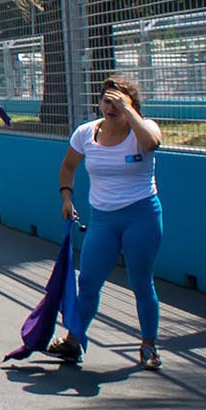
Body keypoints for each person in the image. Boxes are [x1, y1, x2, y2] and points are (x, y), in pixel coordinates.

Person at [50, 76, 165, 368]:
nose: (110, 106)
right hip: (102, 219)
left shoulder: (144, 129)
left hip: (141, 215)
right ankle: (73, 341)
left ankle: (149, 345)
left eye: (118, 102)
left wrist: (129, 112)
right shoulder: (86, 133)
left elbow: (151, 143)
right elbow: (68, 166)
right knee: (87, 281)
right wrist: (66, 198)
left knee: (140, 282)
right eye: (106, 100)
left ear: (131, 105)